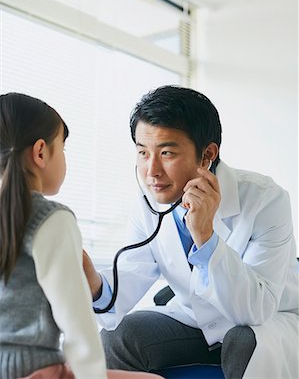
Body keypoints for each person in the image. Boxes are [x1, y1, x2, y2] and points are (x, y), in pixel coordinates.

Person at [83, 85, 298, 379]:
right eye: (143, 152)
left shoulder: (266, 199)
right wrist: (91, 279)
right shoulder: (149, 206)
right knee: (117, 339)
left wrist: (205, 236)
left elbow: (255, 310)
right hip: (194, 321)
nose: (151, 170)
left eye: (166, 152)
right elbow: (125, 285)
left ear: (207, 154)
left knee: (243, 341)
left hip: (267, 323)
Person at [0, 92, 164, 379]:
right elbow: (76, 320)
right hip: (35, 369)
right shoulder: (50, 218)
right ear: (40, 152)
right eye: (62, 149)